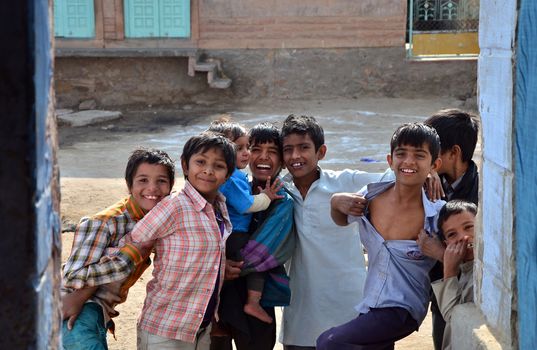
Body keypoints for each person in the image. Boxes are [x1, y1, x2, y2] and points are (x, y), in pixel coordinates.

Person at [317, 122, 445, 349]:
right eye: (401, 154)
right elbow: (342, 220)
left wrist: (439, 252)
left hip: (404, 308)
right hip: (371, 302)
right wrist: (335, 203)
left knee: (328, 342)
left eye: (419, 155)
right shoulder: (370, 197)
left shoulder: (438, 214)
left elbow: (466, 256)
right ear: (390, 160)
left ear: (434, 164)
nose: (408, 161)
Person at [111, 132, 236, 350]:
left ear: (228, 174)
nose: (208, 170)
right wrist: (87, 296)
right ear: (185, 166)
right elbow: (130, 244)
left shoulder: (220, 208)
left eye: (218, 166)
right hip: (165, 328)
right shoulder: (174, 206)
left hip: (200, 327)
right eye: (200, 162)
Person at [279, 114, 385, 349]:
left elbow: (391, 179)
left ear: (321, 152)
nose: (296, 156)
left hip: (348, 309)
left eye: (304, 147)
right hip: (300, 316)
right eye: (288, 149)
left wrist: (426, 175)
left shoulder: (345, 182)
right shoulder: (278, 192)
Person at [61, 148, 175, 349]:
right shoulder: (103, 223)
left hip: (98, 310)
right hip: (76, 309)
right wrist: (128, 255)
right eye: (143, 180)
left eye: (161, 181)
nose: (153, 188)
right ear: (129, 185)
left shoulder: (157, 219)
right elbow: (73, 276)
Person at [211, 123, 295, 350]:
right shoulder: (235, 187)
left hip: (256, 294)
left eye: (272, 151)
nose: (262, 157)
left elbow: (263, 251)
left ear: (283, 159)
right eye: (256, 149)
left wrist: (218, 269)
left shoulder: (284, 201)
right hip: (222, 295)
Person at [420, 108, 480, 350]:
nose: (425, 158)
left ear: (454, 152)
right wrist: (427, 171)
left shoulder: (485, 194)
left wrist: (440, 254)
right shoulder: (428, 181)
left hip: (470, 295)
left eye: (432, 152)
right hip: (438, 294)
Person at [432, 200, 477, 350]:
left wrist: (450, 271)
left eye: (469, 227)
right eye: (452, 234)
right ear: (446, 244)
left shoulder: (485, 273)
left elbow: (455, 320)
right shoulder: (465, 270)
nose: (463, 237)